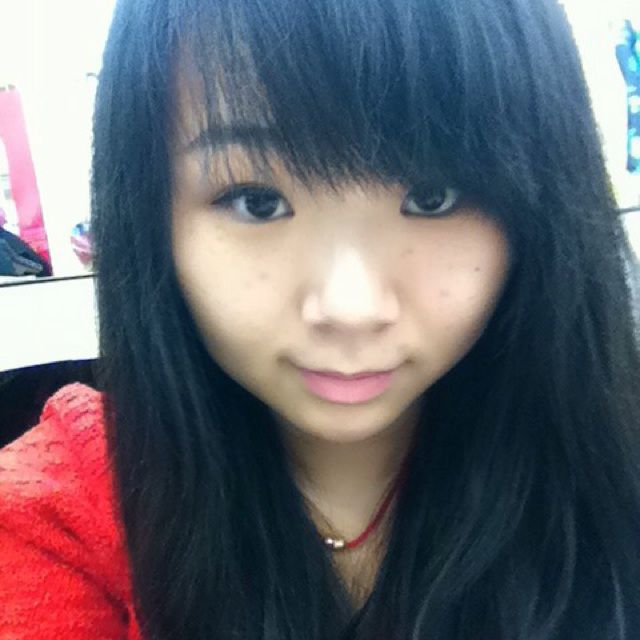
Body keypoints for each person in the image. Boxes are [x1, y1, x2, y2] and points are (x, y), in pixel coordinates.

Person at [1, 0, 640, 638]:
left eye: (431, 197)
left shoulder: (611, 467)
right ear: (151, 215)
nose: (350, 309)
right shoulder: (66, 511)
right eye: (257, 201)